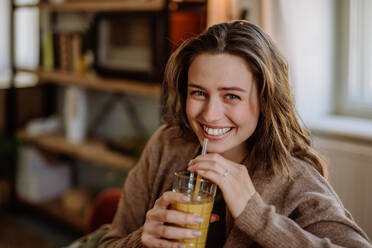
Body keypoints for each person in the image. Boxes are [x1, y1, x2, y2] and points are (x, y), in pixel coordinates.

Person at [99, 20, 372, 248]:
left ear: (265, 100)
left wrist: (253, 212)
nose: (210, 114)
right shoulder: (167, 144)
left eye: (231, 96)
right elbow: (110, 242)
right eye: (198, 93)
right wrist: (140, 240)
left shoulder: (294, 179)